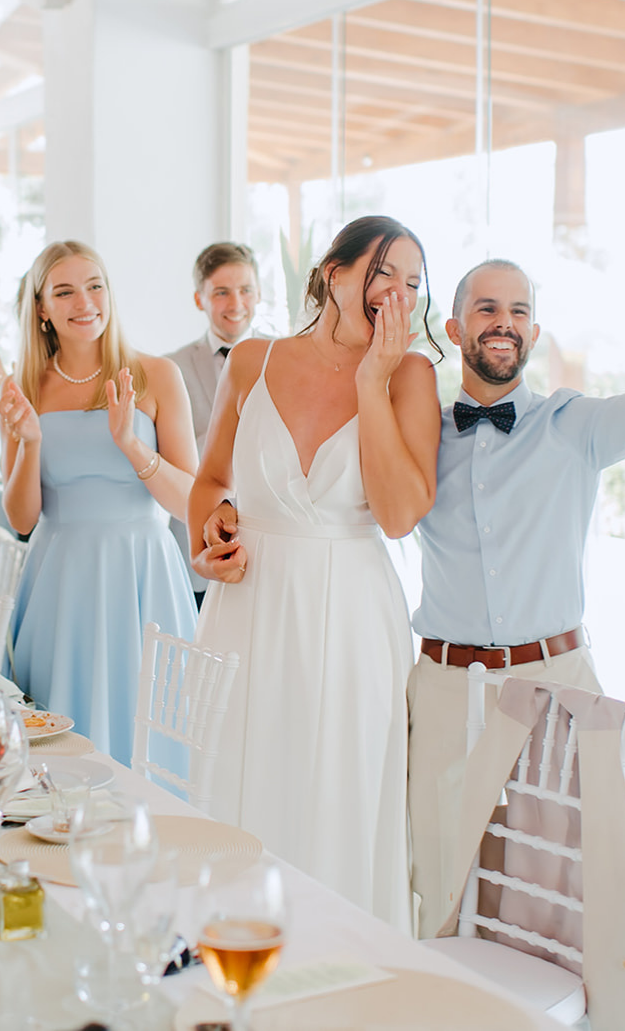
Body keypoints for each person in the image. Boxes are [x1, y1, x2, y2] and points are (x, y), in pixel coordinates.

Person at [406, 234, 625, 939]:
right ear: (454, 327)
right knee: (437, 876)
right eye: (486, 308)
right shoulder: (420, 441)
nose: (503, 322)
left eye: (518, 310)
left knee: (566, 878)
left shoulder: (574, 426)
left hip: (557, 677)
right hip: (443, 685)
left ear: (533, 329)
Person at [189, 216, 441, 932]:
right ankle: (233, 958)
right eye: (384, 272)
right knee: (245, 781)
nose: (398, 292)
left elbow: (397, 515)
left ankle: (338, 962)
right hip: (248, 608)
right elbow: (210, 481)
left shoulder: (412, 375)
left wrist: (373, 382)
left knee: (339, 790)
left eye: (413, 283)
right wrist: (210, 533)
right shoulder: (251, 361)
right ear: (334, 273)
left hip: (352, 614)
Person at [0, 240, 198, 764]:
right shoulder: (23, 389)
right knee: (58, 737)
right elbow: (20, 519)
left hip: (142, 575)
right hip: (60, 579)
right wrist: (31, 440)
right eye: (64, 291)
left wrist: (130, 443)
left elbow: (189, 502)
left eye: (95, 286)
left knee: (148, 731)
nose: (84, 302)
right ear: (41, 308)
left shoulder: (157, 376)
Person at [165, 242, 263, 606]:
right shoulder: (169, 368)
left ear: (259, 294)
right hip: (194, 550)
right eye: (221, 292)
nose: (236, 303)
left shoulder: (285, 362)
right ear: (199, 299)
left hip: (268, 542)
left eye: (245, 290)